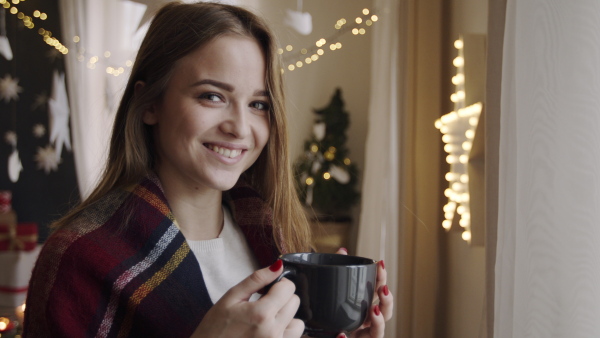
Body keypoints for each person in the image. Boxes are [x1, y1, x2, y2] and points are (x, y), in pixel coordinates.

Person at [23, 2, 393, 337]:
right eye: (212, 96)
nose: (240, 127)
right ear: (150, 104)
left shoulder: (281, 241)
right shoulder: (78, 258)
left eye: (259, 105)